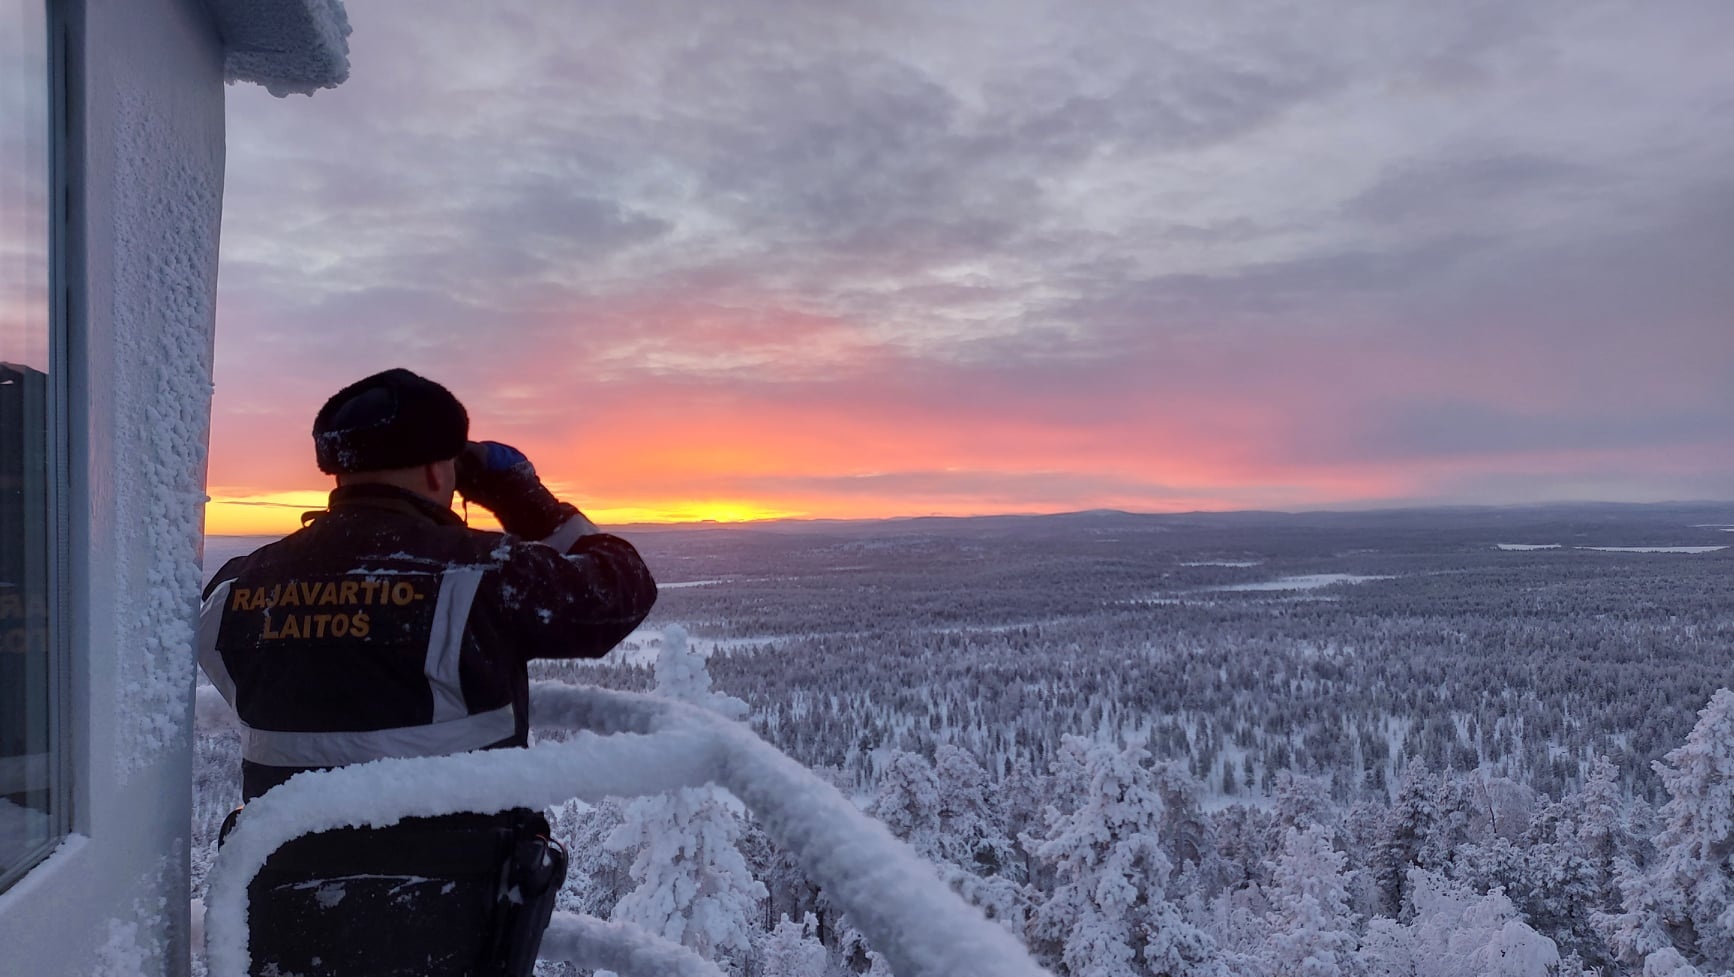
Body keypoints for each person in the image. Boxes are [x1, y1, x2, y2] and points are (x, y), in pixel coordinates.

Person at [196, 367, 657, 977]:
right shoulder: (480, 573)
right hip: (451, 911)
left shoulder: (235, 588)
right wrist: (534, 508)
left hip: (285, 902)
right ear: (442, 472)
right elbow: (623, 587)